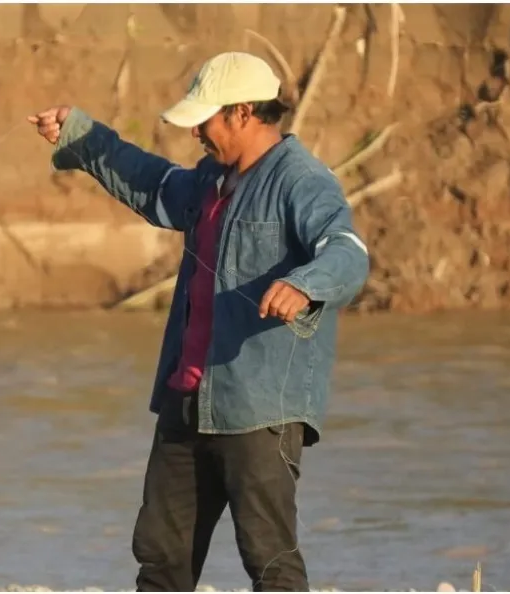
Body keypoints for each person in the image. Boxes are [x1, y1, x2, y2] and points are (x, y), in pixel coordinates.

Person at [27, 52, 370, 592]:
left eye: (203, 121)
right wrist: (81, 135)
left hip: (259, 409)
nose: (196, 135)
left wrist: (305, 285)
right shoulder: (213, 177)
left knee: (269, 560)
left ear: (240, 113)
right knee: (160, 560)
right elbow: (154, 184)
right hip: (186, 400)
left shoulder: (302, 181)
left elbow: (347, 251)